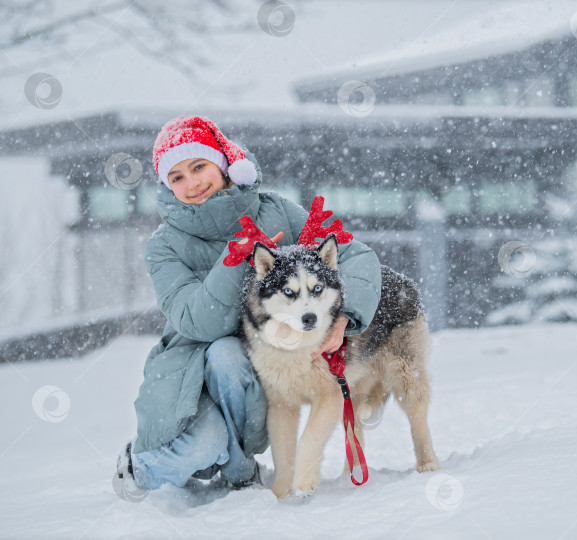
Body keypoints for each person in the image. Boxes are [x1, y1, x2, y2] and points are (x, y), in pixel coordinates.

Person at [113, 115, 382, 499]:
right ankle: (138, 468)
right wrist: (234, 256)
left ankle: (238, 467)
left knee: (237, 363)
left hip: (269, 357)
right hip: (196, 365)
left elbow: (354, 256)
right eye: (176, 178)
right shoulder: (164, 245)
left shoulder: (274, 210)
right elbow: (198, 323)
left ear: (224, 165)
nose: (192, 184)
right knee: (208, 419)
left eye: (199, 166)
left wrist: (344, 316)